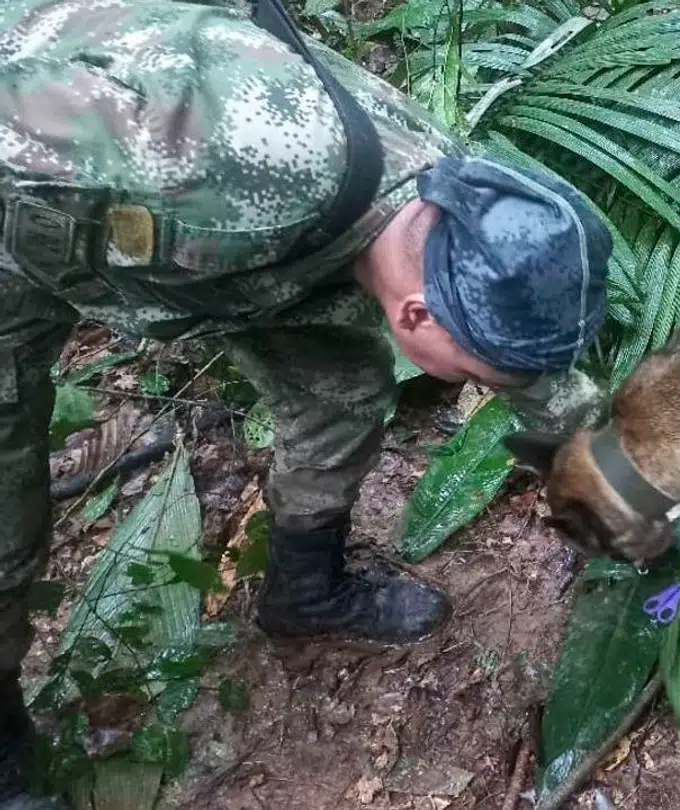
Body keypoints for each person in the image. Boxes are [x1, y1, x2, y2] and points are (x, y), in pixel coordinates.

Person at [0, 0, 612, 806]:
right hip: (29, 199)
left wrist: (618, 471)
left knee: (344, 392)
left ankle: (304, 591)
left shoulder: (449, 210)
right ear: (416, 317)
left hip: (227, 252)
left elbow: (523, 363)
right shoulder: (215, 165)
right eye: (476, 376)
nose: (478, 386)